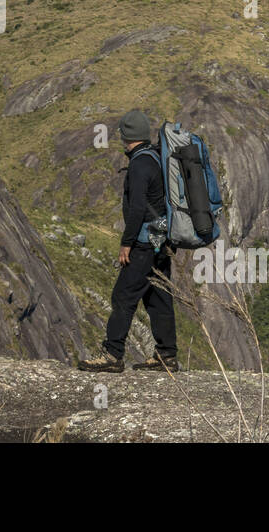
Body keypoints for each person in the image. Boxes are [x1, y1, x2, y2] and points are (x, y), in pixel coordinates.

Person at [77, 109, 178, 373]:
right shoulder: (156, 158)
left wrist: (126, 243)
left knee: (123, 295)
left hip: (144, 243)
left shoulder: (139, 164)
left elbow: (137, 209)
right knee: (158, 297)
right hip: (162, 241)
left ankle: (112, 354)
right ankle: (166, 355)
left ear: (127, 136)